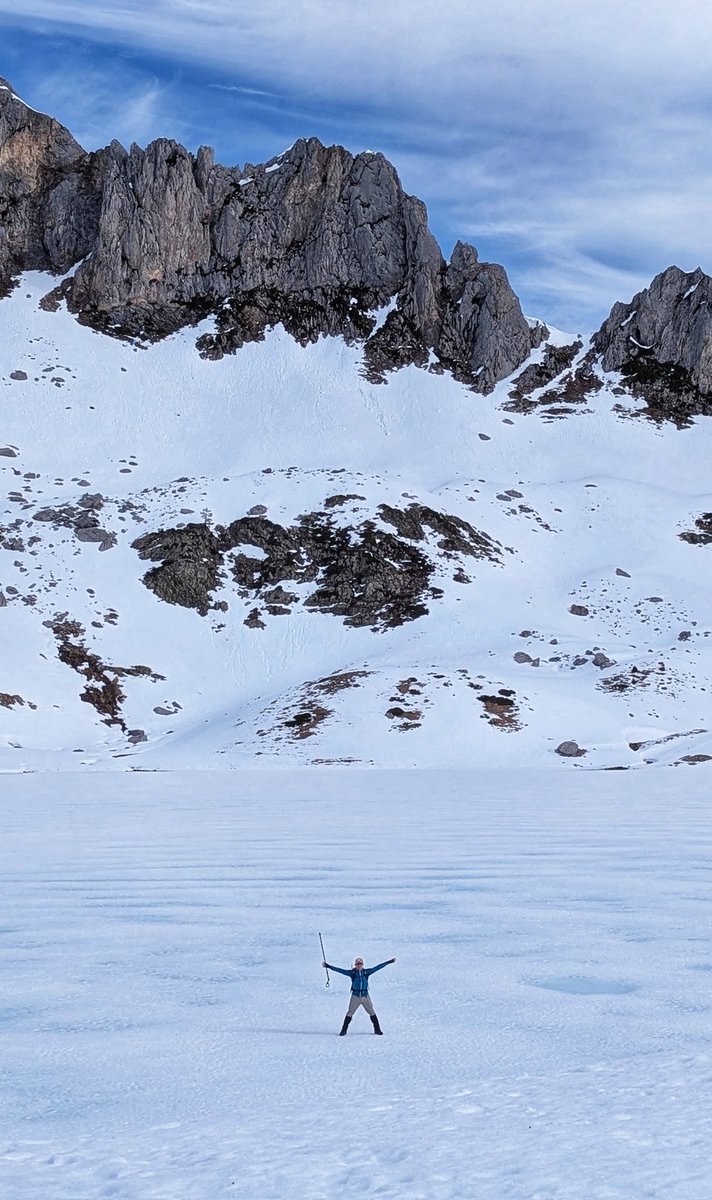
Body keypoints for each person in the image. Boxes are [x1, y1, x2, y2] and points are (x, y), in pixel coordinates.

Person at [322, 955, 396, 1035]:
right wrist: (329, 966)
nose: (359, 965)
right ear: (355, 965)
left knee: (372, 1012)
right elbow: (340, 970)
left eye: (360, 964)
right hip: (355, 997)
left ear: (362, 965)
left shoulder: (366, 972)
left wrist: (388, 962)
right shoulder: (352, 973)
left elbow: (377, 967)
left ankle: (377, 1030)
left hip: (365, 996)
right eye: (357, 964)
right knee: (350, 1013)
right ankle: (343, 1030)